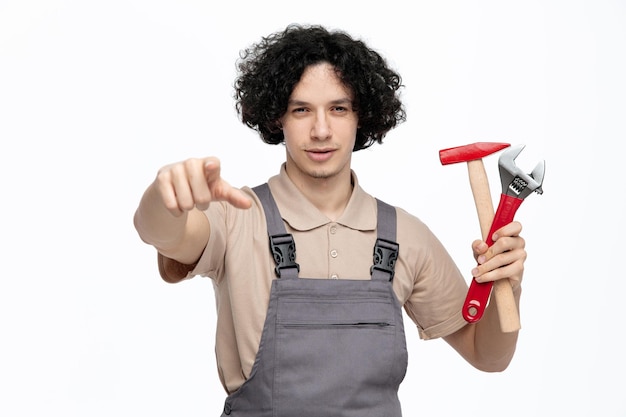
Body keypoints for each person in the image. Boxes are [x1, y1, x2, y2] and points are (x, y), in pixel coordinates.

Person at [134, 24, 527, 417]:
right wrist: (165, 197)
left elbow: (487, 355)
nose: (321, 130)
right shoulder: (237, 216)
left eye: (338, 109)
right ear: (277, 119)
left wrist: (508, 285)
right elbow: (161, 233)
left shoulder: (406, 236)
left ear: (362, 118)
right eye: (301, 109)